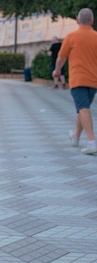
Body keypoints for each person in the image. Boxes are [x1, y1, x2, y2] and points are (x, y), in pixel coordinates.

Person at [53, 8, 97, 155]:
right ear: (92, 21)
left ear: (77, 21)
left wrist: (57, 71)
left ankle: (92, 142)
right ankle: (76, 136)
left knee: (83, 109)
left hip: (78, 79)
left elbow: (61, 57)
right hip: (94, 81)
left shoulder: (71, 36)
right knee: (83, 108)